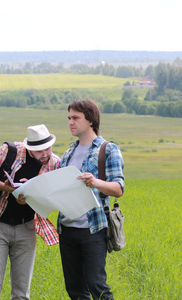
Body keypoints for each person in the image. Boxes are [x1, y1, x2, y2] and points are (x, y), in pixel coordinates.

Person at [0, 124, 60, 300]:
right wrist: (6, 188)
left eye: (48, 148)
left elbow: (53, 197)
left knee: (22, 294)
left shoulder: (54, 163)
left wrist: (31, 194)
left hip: (27, 227)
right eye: (39, 151)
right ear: (29, 148)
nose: (45, 154)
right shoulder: (9, 151)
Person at [57, 99, 125, 300]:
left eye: (75, 118)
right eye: (69, 118)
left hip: (93, 229)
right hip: (67, 228)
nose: (70, 122)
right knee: (75, 290)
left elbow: (118, 189)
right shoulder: (68, 153)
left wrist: (95, 182)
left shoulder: (108, 149)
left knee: (97, 286)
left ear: (91, 120)